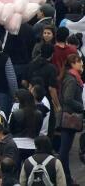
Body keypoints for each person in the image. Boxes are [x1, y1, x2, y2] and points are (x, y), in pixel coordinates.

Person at [58, 53, 83, 185]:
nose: (82, 64)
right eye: (79, 61)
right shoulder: (72, 80)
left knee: (65, 150)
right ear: (73, 64)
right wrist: (81, 106)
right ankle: (65, 178)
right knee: (64, 150)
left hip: (68, 117)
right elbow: (68, 98)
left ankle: (66, 177)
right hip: (69, 118)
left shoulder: (71, 77)